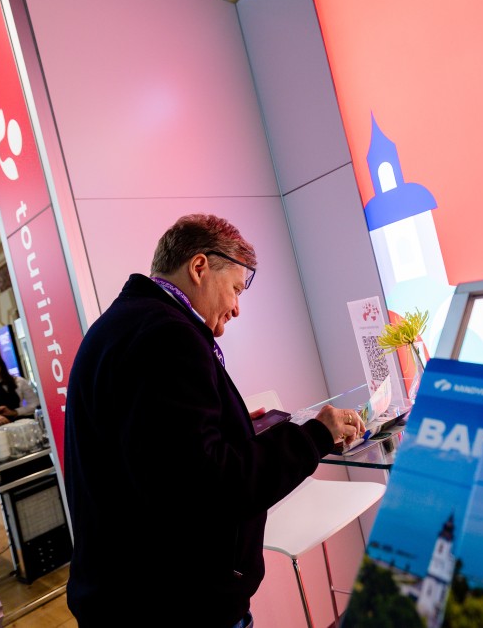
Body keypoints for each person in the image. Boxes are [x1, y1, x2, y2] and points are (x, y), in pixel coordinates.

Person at [64, 213, 364, 628]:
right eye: (236, 289)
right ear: (200, 267)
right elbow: (210, 488)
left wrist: (237, 429)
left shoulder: (121, 325)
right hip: (175, 608)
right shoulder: (168, 338)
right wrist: (315, 436)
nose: (237, 308)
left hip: (128, 596)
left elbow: (157, 460)